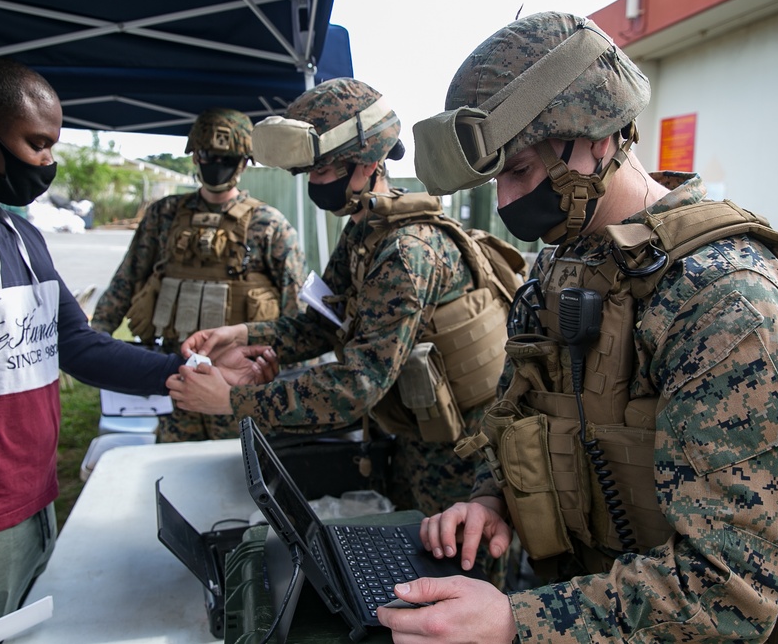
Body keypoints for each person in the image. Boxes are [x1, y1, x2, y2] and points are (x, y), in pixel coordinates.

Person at [378, 11, 778, 643]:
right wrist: (491, 501)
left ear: (598, 136)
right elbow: (524, 416)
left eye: (522, 171)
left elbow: (732, 590)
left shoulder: (727, 301)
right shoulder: (560, 268)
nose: (508, 203)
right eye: (498, 178)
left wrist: (518, 623)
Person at [0, 57, 273, 644]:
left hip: (31, 516)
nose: (48, 162)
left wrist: (188, 368)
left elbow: (77, 345)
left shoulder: (19, 233)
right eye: (37, 143)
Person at [168, 77, 524, 516]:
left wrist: (230, 401)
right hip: (415, 430)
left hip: (464, 457)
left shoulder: (405, 252)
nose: (313, 184)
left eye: (322, 171)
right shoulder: (364, 229)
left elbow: (356, 385)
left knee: (457, 573)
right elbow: (322, 323)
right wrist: (240, 333)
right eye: (309, 173)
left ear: (366, 162)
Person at [91, 107, 308, 441]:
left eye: (227, 157)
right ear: (194, 157)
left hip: (240, 379)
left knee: (239, 469)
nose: (214, 164)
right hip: (176, 368)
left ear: (245, 161)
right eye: (207, 155)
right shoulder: (164, 215)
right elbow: (127, 280)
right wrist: (96, 343)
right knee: (174, 467)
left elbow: (296, 310)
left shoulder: (270, 224)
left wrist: (285, 380)